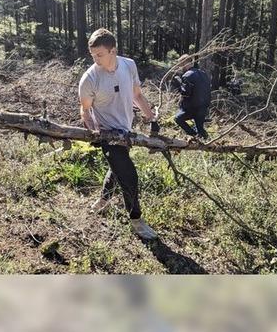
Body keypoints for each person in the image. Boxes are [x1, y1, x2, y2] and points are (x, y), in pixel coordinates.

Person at [78, 28, 160, 240]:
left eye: (100, 54)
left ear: (113, 50)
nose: (95, 59)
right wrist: (95, 132)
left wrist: (151, 117)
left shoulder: (128, 65)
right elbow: (85, 110)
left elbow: (137, 95)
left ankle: (103, 200)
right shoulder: (89, 78)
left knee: (117, 167)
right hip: (107, 133)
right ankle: (136, 220)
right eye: (93, 55)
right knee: (129, 176)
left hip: (126, 130)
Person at [173, 54, 212, 140]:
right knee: (200, 130)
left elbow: (186, 93)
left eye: (180, 64)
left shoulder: (187, 75)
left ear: (185, 63)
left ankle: (193, 136)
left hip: (192, 108)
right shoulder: (203, 74)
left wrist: (179, 83)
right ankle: (209, 143)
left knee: (178, 119)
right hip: (204, 107)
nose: (180, 67)